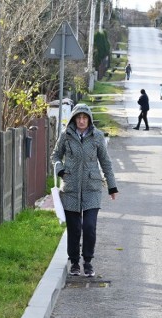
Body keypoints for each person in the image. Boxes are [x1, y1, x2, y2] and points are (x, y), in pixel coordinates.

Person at [51, 103, 118, 277]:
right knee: (74, 228)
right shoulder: (65, 136)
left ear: (89, 119)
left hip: (92, 188)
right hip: (71, 188)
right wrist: (60, 169)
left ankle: (87, 262)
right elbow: (55, 155)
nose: (81, 121)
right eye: (79, 118)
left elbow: (106, 162)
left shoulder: (97, 136)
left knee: (89, 226)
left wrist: (112, 186)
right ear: (74, 119)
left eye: (84, 118)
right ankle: (74, 262)